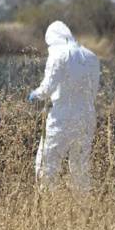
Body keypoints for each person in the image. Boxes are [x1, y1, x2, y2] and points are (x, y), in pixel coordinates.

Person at [28, 21, 100, 190]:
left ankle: (47, 199)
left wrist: (35, 94)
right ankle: (83, 201)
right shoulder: (91, 56)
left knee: (47, 162)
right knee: (80, 167)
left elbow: (47, 88)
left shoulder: (59, 55)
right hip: (87, 116)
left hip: (62, 116)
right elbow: (93, 91)